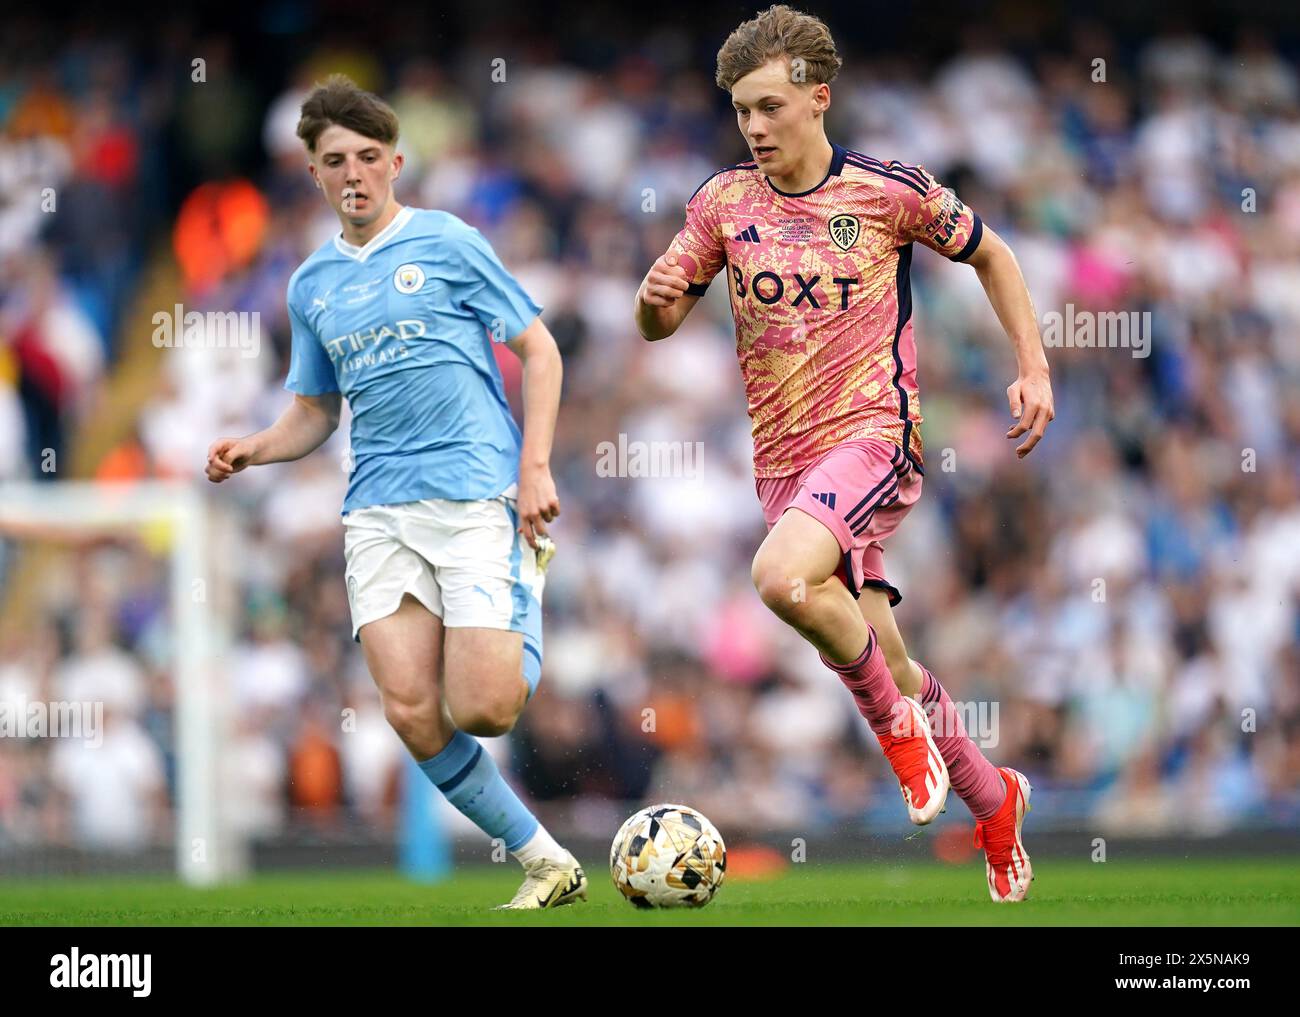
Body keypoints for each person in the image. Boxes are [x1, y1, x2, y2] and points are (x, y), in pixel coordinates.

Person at [634, 6, 1054, 901]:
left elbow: (995, 255)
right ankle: (994, 798)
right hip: (785, 465)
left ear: (817, 99)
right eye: (742, 111)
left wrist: (1032, 366)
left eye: (770, 108)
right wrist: (653, 297)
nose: (754, 128)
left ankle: (898, 736)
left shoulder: (886, 192)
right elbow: (660, 322)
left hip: (875, 437)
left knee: (780, 579)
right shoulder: (721, 203)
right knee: (884, 652)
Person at [206, 75, 585, 910]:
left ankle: (532, 572)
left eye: (368, 157)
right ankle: (546, 861)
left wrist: (536, 467)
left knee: (483, 708)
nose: (353, 173)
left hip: (476, 487)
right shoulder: (310, 286)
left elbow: (542, 349)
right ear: (311, 172)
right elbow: (313, 412)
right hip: (376, 508)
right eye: (334, 159)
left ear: (396, 163)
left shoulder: (448, 242)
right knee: (412, 711)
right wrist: (254, 448)